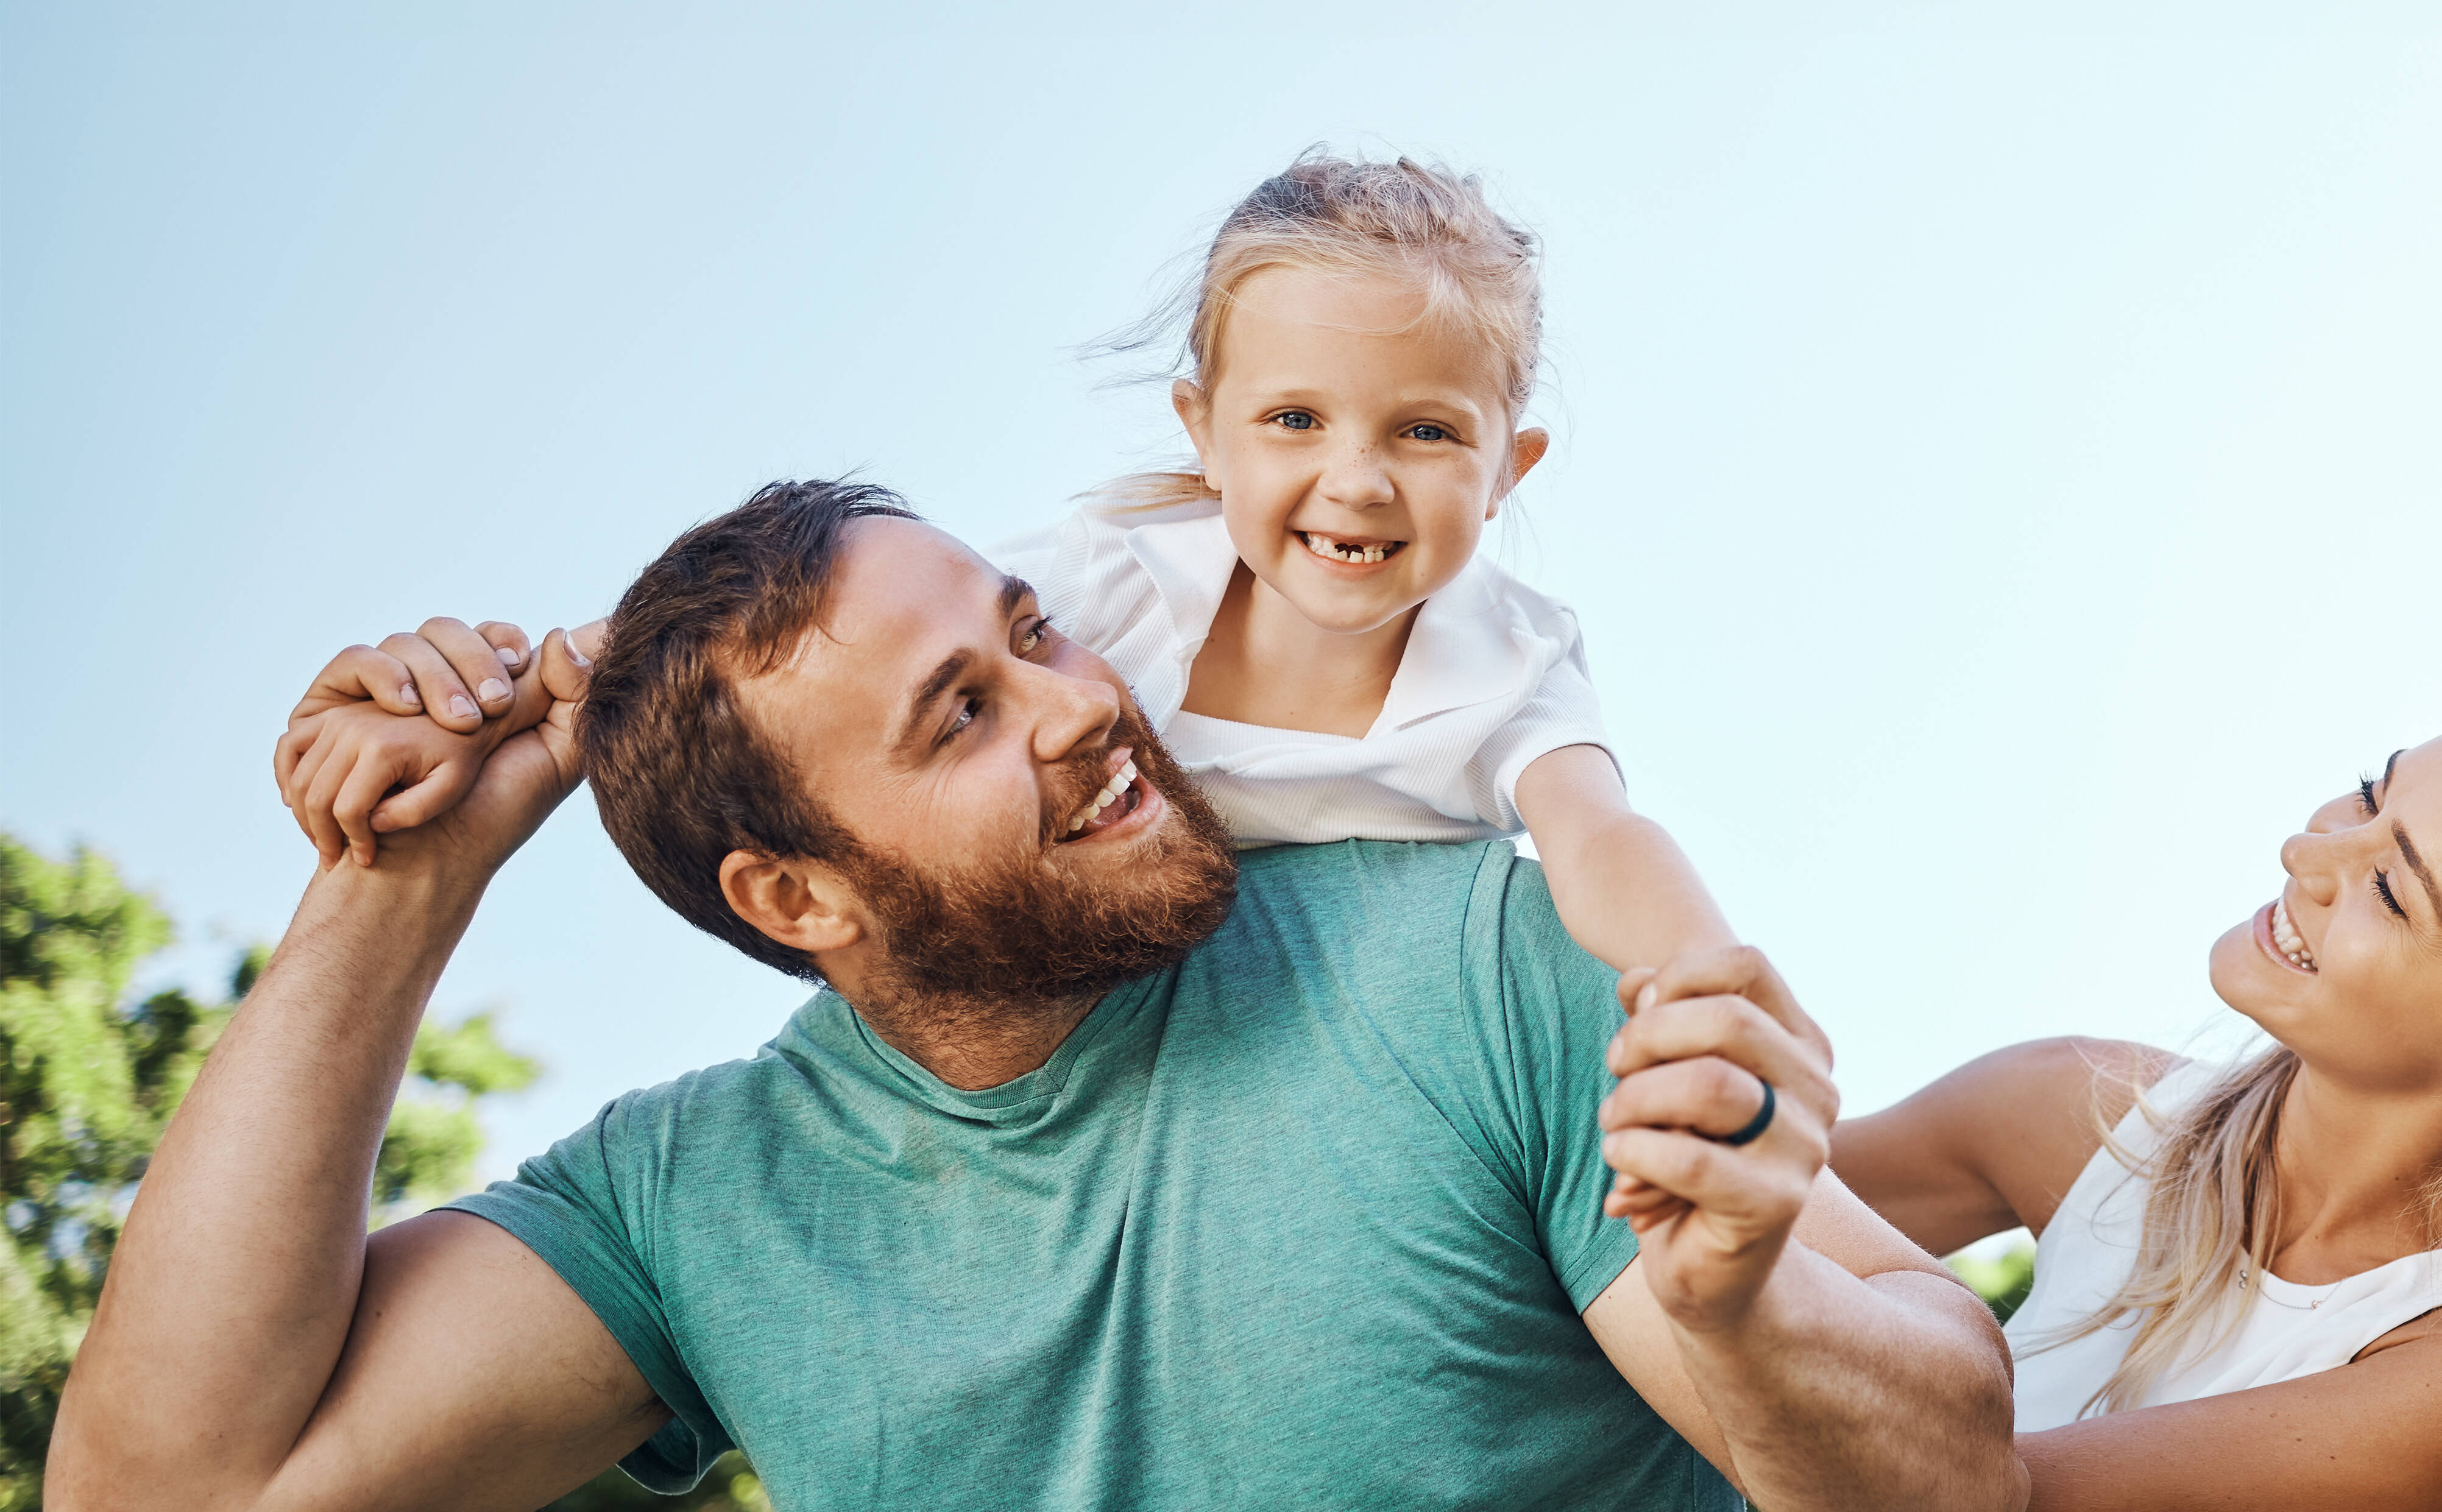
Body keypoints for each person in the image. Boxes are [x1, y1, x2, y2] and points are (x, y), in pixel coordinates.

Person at [49, 483, 2023, 1510]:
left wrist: (1743, 1309)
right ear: (794, 893)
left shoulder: (1456, 943)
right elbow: (171, 1491)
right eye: (964, 713)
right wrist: (401, 882)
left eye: (1030, 628)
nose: (1084, 703)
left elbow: (1948, 1473)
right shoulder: (697, 1206)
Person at [275, 150, 1736, 986]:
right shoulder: (1093, 588)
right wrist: (437, 706)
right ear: (1202, 434)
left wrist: (1702, 983)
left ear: (1507, 468)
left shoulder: (1507, 656)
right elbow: (737, 645)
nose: (1355, 479)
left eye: (1425, 431)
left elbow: (1599, 836)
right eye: (1293, 419)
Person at [1738, 741, 2442, 1508]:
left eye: (2390, 889)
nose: (2303, 849)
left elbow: (1958, 1490)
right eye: (2369, 794)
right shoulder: (2093, 1111)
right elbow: (1618, 1221)